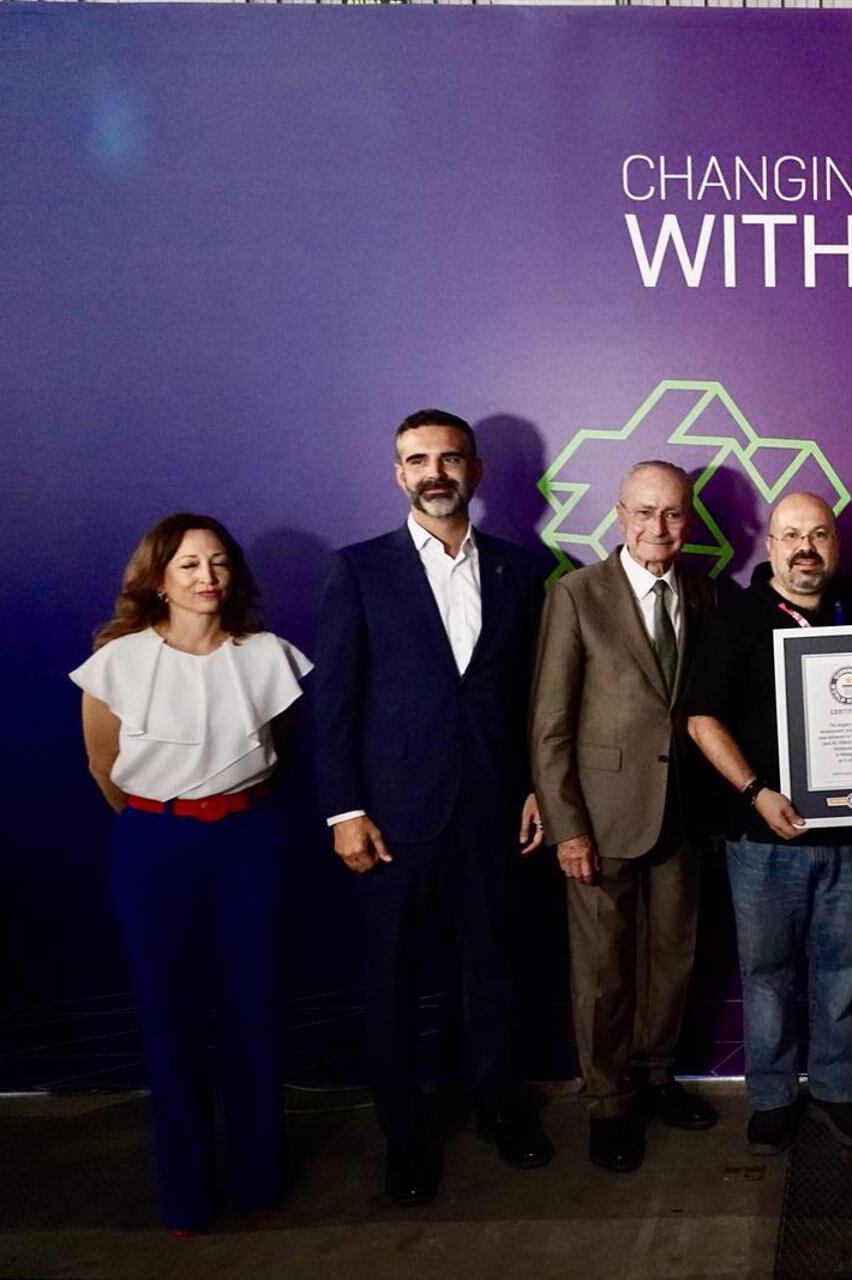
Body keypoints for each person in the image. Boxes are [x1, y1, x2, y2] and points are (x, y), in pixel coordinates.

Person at [311, 409, 552, 1206]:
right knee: (389, 984)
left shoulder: (525, 569)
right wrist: (343, 809)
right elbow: (335, 702)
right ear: (398, 475)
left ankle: (497, 1110)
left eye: (451, 459)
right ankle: (405, 1138)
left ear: (476, 472)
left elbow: (528, 698)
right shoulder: (359, 571)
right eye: (419, 460)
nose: (436, 472)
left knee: (494, 975)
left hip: (492, 812)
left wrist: (532, 787)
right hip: (391, 821)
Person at [72, 513, 311, 1234]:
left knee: (256, 1010)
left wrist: (232, 814)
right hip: (155, 843)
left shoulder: (269, 654)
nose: (207, 577)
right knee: (170, 1018)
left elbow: (285, 748)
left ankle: (259, 1175)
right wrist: (165, 819)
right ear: (157, 578)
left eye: (218, 563)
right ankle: (186, 1191)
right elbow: (102, 766)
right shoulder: (118, 660)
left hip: (251, 839)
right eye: (188, 565)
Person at [530, 460, 720, 1174]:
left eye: (672, 514)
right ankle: (608, 1104)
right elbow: (548, 725)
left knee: (672, 959)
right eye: (644, 513)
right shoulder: (577, 596)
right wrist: (566, 823)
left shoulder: (703, 592)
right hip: (602, 821)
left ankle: (657, 1076)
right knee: (603, 972)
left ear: (689, 521)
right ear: (618, 515)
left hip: (683, 815)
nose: (658, 528)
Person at [685, 492, 852, 1156]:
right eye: (791, 535)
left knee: (846, 968)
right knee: (767, 973)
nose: (806, 548)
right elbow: (700, 718)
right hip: (763, 838)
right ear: (769, 546)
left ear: (836, 545)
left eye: (819, 534)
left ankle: (836, 1091)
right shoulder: (734, 618)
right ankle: (771, 1096)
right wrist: (755, 790)